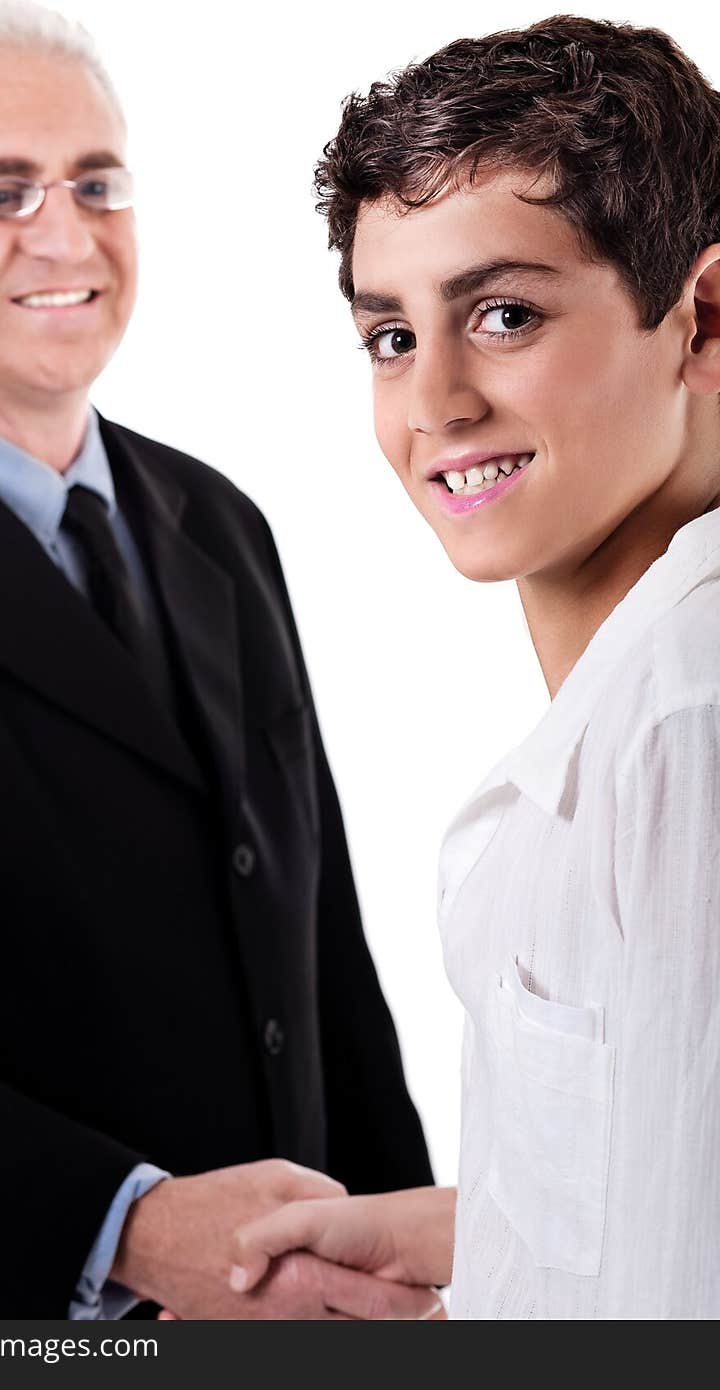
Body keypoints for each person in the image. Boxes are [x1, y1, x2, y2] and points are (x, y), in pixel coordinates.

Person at [0, 0, 438, 1319]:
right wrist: (139, 1230)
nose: (64, 231)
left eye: (97, 181)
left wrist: (401, 1267)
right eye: (0, 190)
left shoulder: (217, 523)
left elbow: (326, 954)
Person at [228, 14, 720, 1319]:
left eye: (503, 314)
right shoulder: (648, 690)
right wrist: (474, 1230)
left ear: (703, 318)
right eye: (390, 335)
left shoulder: (688, 719)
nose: (433, 401)